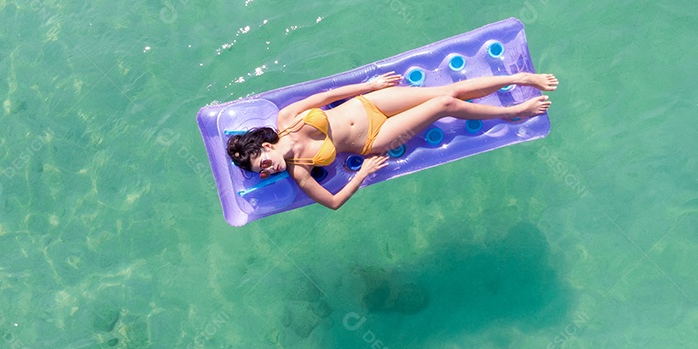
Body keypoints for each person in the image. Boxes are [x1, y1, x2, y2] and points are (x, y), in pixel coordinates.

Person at [226, 71, 558, 210]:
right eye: (263, 172)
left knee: (448, 91)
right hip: (374, 137)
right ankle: (512, 111)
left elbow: (326, 96)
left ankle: (519, 78)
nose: (267, 170)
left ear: (266, 147)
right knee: (444, 106)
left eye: (262, 164)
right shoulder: (300, 172)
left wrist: (368, 86)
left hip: (369, 104)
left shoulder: (287, 119)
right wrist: (362, 172)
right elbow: (333, 202)